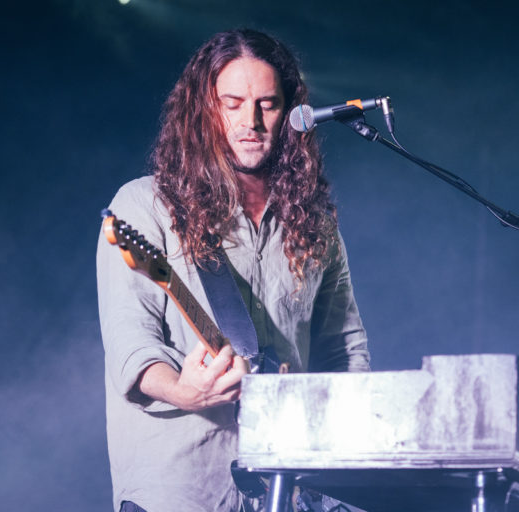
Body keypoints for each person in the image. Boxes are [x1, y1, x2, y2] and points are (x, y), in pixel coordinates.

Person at [96, 29, 370, 512]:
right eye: (233, 103)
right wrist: (185, 390)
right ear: (203, 109)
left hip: (288, 486)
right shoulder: (146, 205)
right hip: (181, 488)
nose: (252, 122)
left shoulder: (314, 223)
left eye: (268, 104)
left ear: (290, 112)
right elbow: (131, 342)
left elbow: (343, 349)